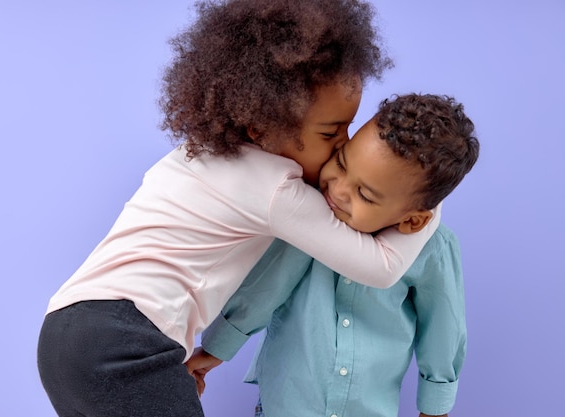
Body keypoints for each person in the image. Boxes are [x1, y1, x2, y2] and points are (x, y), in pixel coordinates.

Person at [37, 1, 442, 416]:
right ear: (261, 126)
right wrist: (427, 205)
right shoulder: (275, 190)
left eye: (348, 126)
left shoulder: (196, 154)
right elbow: (380, 267)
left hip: (65, 331)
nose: (344, 143)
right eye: (330, 131)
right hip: (126, 341)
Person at [188, 93, 480, 417]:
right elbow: (266, 286)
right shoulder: (308, 215)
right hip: (286, 405)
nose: (338, 190)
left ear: (413, 220)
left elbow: (443, 328)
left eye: (364, 194)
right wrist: (216, 349)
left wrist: (435, 408)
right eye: (341, 162)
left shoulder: (433, 250)